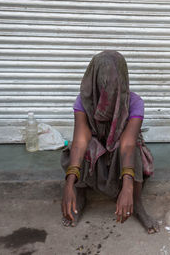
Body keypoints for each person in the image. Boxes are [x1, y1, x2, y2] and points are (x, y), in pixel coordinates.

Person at [60, 50, 159, 234]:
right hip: (97, 149)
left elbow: (128, 143)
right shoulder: (83, 101)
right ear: (93, 80)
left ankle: (137, 204)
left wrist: (128, 188)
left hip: (122, 149)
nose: (107, 92)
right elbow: (80, 140)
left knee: (134, 148)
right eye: (102, 85)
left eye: (112, 86)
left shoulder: (134, 102)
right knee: (85, 147)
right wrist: (69, 184)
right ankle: (80, 196)